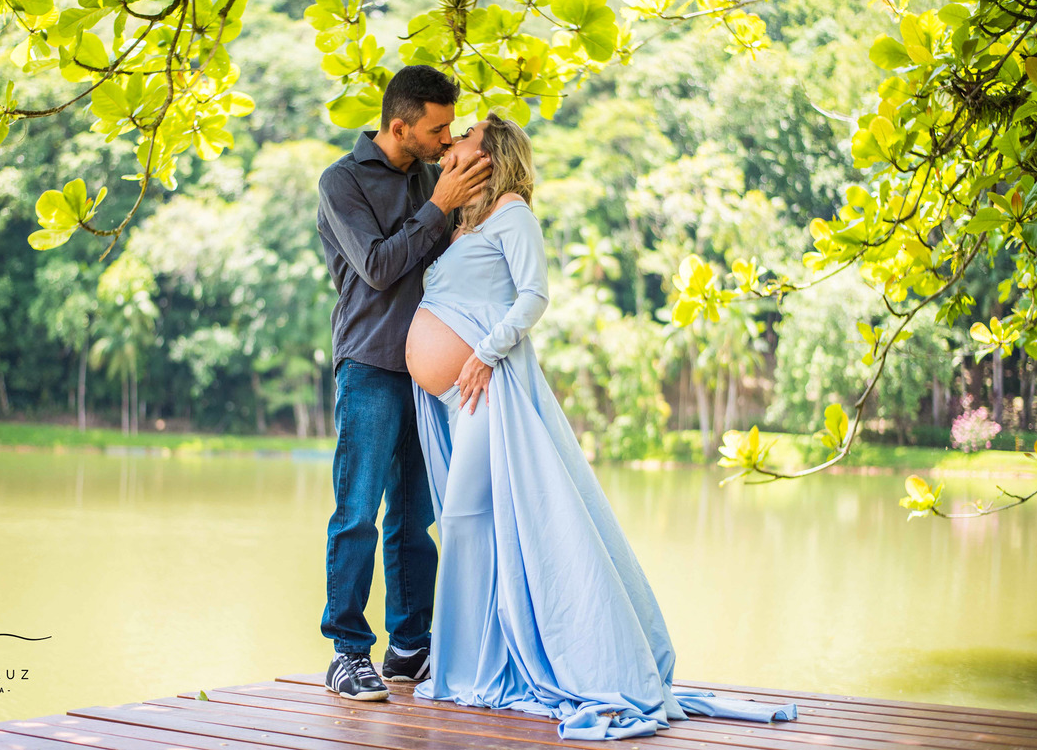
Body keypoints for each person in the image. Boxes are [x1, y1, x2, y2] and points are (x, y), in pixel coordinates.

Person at [404, 112, 799, 740]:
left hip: (487, 386)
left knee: (466, 517)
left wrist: (482, 353)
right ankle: (474, 665)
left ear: (494, 152)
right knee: (477, 522)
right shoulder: (467, 221)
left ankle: (475, 669)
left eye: (467, 135)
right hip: (452, 396)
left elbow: (533, 296)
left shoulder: (513, 214)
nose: (453, 141)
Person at [315, 65, 492, 701]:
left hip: (427, 375)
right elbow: (380, 266)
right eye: (438, 128)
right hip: (368, 364)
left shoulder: (431, 174)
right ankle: (346, 652)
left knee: (415, 518)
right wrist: (439, 207)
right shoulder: (342, 182)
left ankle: (410, 648)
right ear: (400, 125)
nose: (447, 141)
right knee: (358, 510)